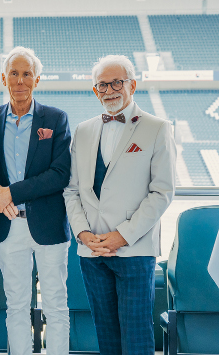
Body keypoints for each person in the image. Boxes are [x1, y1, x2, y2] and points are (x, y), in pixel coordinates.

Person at [63, 55, 177, 355]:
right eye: (102, 84)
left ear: (132, 85)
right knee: (106, 337)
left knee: (137, 337)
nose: (110, 89)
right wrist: (83, 235)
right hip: (92, 251)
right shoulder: (83, 130)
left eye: (117, 82)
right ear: (94, 90)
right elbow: (72, 190)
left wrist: (122, 235)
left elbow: (162, 192)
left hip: (134, 250)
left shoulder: (158, 127)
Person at [0, 46, 72, 355]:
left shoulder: (56, 118)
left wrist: (13, 192)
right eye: (13, 73)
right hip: (8, 227)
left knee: (56, 305)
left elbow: (60, 174)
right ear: (3, 78)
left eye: (26, 74)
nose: (20, 81)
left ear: (37, 79)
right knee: (16, 305)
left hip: (48, 226)